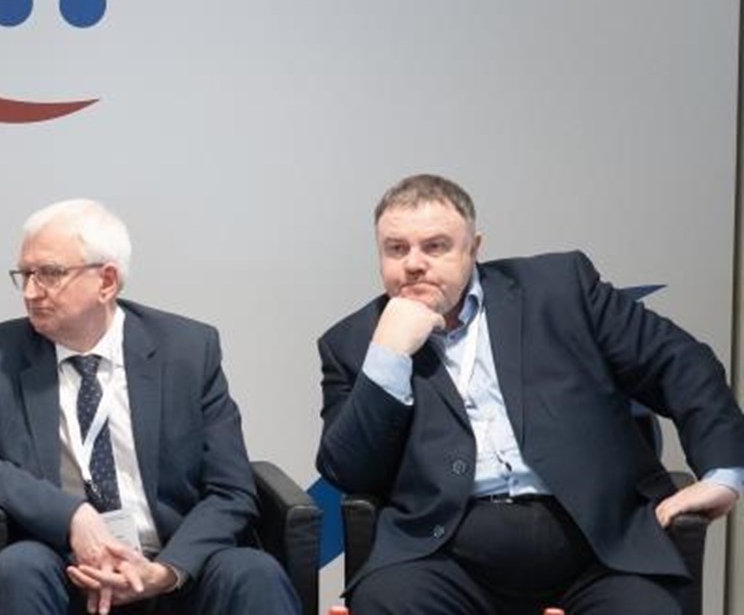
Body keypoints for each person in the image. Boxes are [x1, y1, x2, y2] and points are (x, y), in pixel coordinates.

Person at [317, 173, 744, 614]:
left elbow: (679, 361)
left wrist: (723, 474)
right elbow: (349, 471)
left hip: (599, 551)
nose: (413, 264)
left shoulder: (560, 289)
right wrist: (388, 356)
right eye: (396, 249)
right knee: (386, 602)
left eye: (435, 246)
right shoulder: (352, 343)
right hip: (444, 556)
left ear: (473, 249)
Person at [0, 199, 299, 615]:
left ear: (106, 281)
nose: (31, 292)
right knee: (18, 568)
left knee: (253, 572)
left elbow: (231, 491)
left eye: (49, 274)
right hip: (65, 565)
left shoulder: (187, 350)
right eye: (25, 274)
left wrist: (166, 571)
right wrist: (73, 516)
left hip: (173, 564)